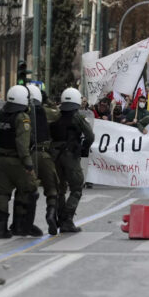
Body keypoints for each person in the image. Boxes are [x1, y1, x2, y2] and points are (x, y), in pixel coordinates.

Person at [0, 85, 40, 238]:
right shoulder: (22, 118)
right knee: (29, 189)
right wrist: (28, 164)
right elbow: (22, 144)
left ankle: (1, 228)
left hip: (0, 160)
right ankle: (22, 226)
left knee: (2, 193)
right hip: (17, 161)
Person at [50, 88, 94, 232]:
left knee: (60, 189)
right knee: (76, 187)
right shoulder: (78, 117)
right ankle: (66, 219)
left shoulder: (55, 115)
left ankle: (58, 217)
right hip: (70, 155)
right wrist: (83, 148)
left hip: (54, 155)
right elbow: (90, 136)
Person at [26, 85, 60, 235]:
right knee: (52, 189)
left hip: (28, 156)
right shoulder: (46, 112)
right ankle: (51, 214)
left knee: (29, 191)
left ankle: (26, 224)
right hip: (45, 155)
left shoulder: (22, 113)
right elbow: (60, 115)